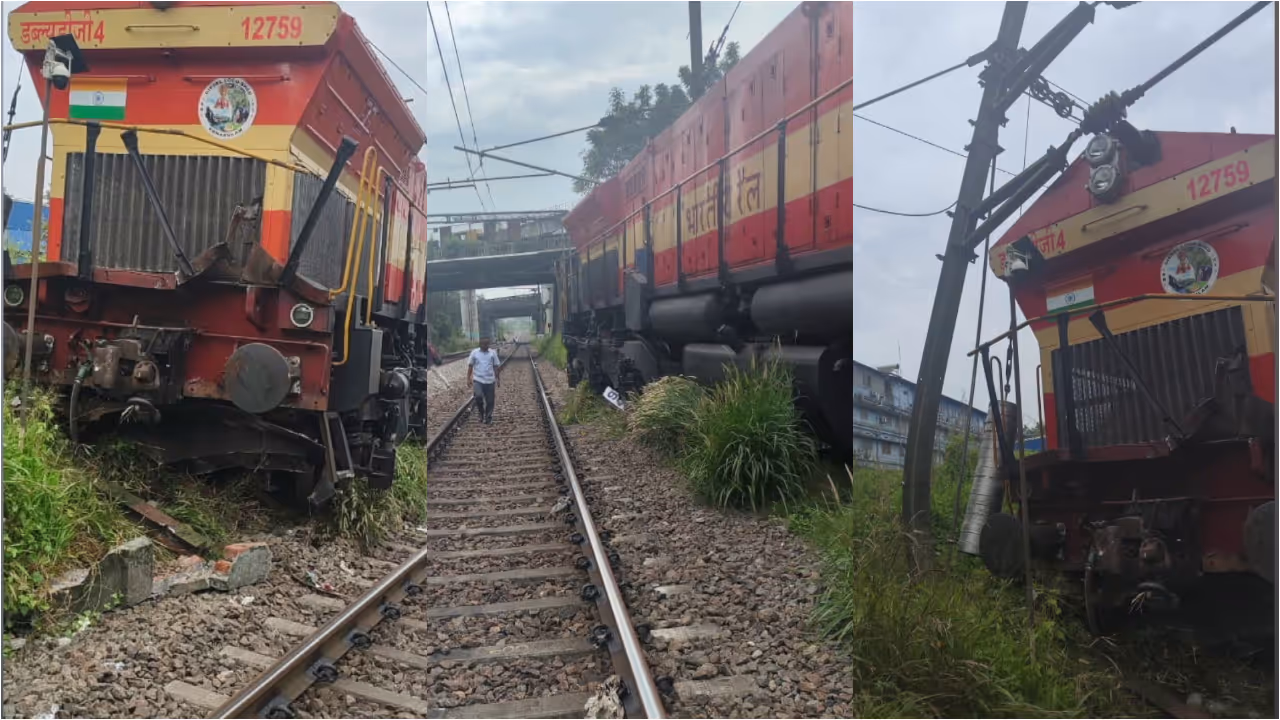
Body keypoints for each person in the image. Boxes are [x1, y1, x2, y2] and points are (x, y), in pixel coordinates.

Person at [467, 336, 501, 424]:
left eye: (486, 344)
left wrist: (498, 378)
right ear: (480, 344)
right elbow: (470, 366)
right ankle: (481, 413)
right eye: (483, 344)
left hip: (490, 380)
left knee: (490, 401)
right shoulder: (474, 353)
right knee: (478, 396)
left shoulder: (492, 353)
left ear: (488, 344)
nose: (485, 345)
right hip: (478, 380)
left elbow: (496, 366)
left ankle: (488, 417)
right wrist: (468, 378)